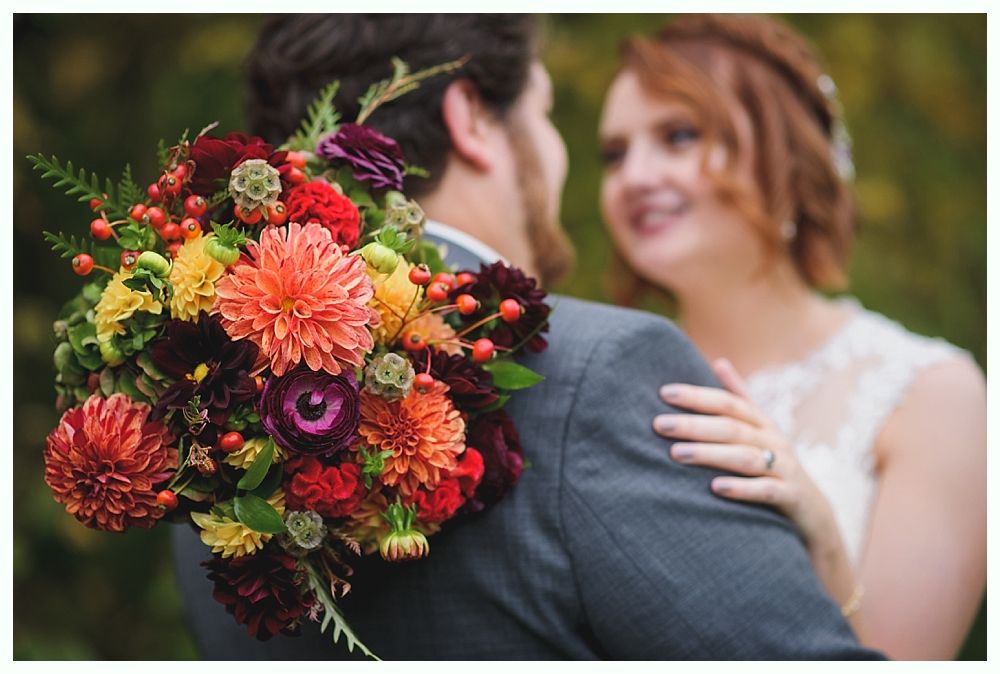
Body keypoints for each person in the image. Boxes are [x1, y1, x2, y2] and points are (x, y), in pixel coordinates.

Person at [170, 14, 882, 660]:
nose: (573, 158)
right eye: (545, 115)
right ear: (472, 118)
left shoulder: (194, 430)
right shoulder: (601, 374)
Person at [597, 14, 985, 660]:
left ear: (786, 154)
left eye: (679, 135)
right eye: (615, 153)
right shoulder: (602, 380)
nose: (634, 175)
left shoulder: (931, 396)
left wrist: (824, 546)